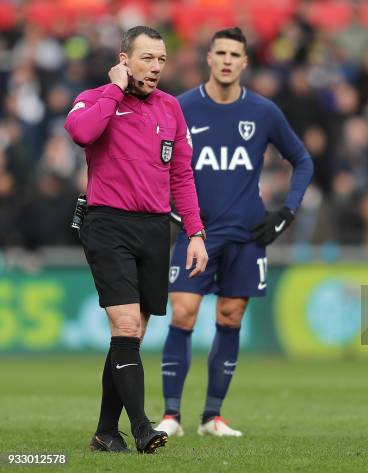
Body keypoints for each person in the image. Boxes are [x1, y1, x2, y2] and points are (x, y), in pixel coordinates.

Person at [155, 27, 313, 438]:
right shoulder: (181, 107)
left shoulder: (263, 111)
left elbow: (302, 160)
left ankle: (212, 416)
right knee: (184, 312)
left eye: (234, 54)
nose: (226, 60)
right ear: (208, 58)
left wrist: (286, 214)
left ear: (245, 62)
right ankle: (171, 415)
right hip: (197, 235)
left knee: (230, 315)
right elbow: (155, 161)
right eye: (220, 52)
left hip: (246, 234)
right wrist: (169, 210)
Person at [64, 26, 208, 453]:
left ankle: (106, 432)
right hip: (107, 223)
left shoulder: (171, 109)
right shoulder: (96, 98)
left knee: (131, 337)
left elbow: (181, 175)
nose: (156, 67)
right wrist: (113, 90)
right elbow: (82, 134)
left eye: (161, 59)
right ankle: (143, 427)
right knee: (126, 325)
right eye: (147, 58)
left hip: (154, 228)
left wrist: (196, 232)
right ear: (123, 60)